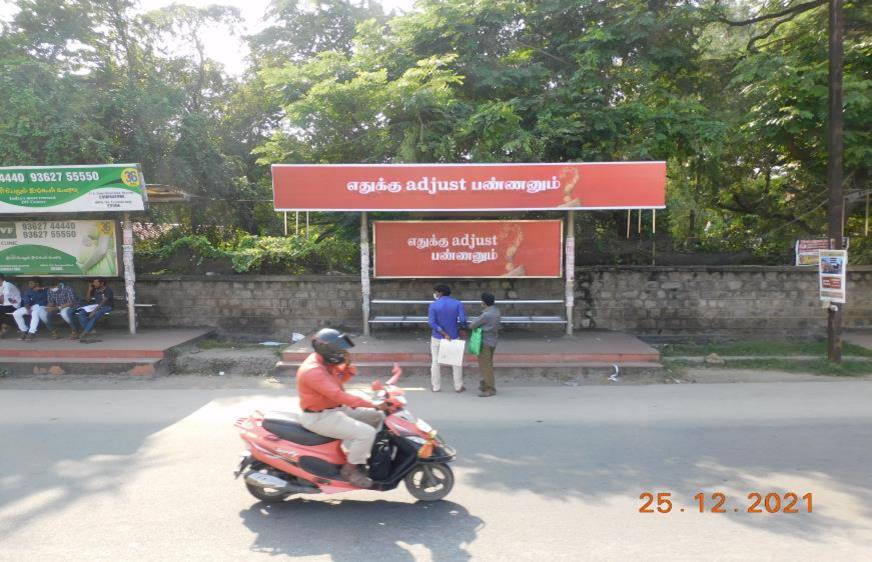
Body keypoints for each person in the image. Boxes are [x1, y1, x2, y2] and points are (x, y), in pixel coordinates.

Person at [297, 328, 385, 489]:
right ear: (327, 350)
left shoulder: (324, 361)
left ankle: (365, 456)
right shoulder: (313, 371)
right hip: (320, 417)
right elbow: (338, 395)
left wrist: (347, 368)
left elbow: (337, 381)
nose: (342, 353)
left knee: (377, 416)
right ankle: (349, 470)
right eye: (339, 350)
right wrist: (372, 403)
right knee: (366, 433)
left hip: (334, 409)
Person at [428, 284, 467, 393]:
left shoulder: (433, 305)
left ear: (440, 293)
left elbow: (431, 322)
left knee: (435, 361)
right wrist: (461, 330)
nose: (435, 294)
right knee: (456, 362)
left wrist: (443, 333)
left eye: (436, 292)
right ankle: (458, 386)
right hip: (454, 336)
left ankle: (436, 387)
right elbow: (463, 320)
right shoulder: (457, 303)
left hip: (437, 337)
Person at [468, 292, 501, 397]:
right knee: (488, 364)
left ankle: (489, 389)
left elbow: (472, 325)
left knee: (485, 366)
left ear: (484, 302)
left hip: (484, 342)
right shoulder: (496, 311)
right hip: (493, 340)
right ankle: (484, 385)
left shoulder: (486, 315)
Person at [76, 278, 114, 343]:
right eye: (93, 282)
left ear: (102, 283)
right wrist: (89, 290)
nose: (94, 284)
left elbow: (103, 302)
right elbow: (87, 300)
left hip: (106, 306)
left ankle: (85, 332)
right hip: (96, 306)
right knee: (81, 313)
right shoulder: (95, 289)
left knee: (95, 315)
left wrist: (94, 311)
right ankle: (90, 331)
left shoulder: (108, 290)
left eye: (96, 282)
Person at [0, 273, 21, 339]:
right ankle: (4, 327)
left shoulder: (7, 285)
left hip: (14, 305)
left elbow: (7, 298)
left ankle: (4, 327)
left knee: (2, 310)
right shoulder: (1, 286)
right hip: (5, 305)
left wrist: (3, 303)